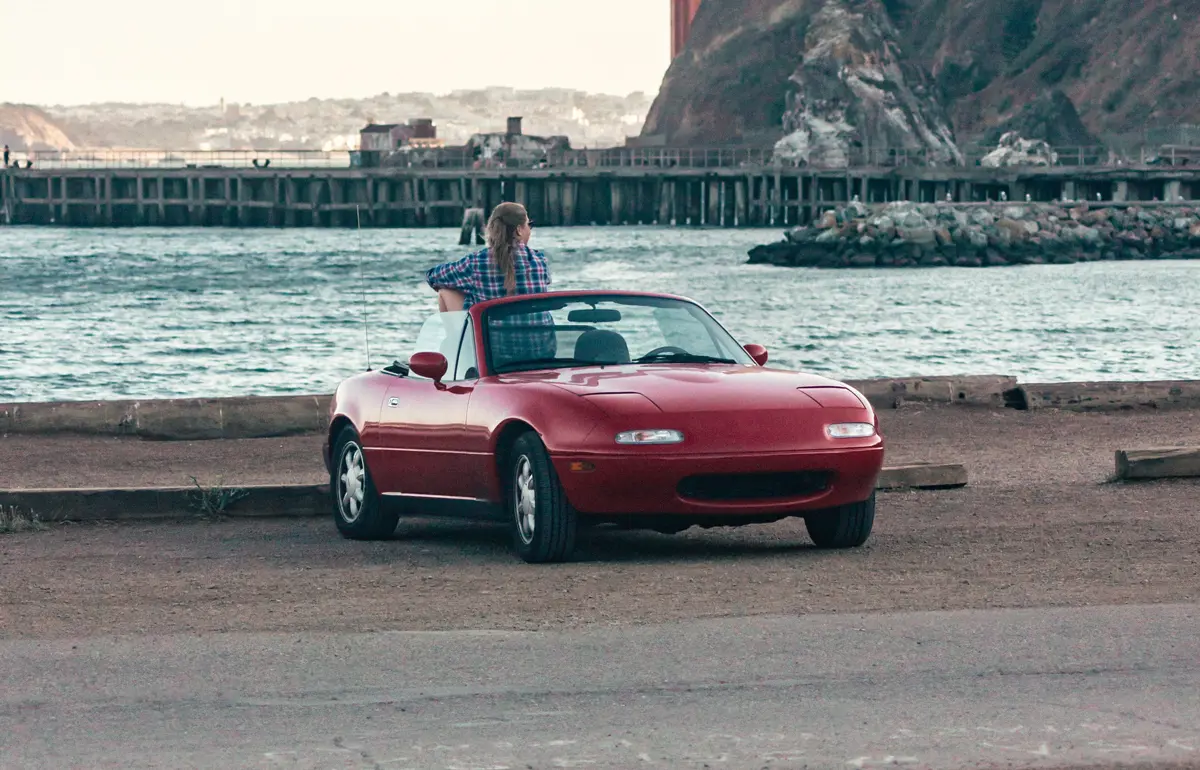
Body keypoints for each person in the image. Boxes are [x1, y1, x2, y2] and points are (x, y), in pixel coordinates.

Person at [424, 202, 555, 367]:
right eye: (529, 225)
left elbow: (432, 276)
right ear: (519, 230)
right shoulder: (539, 261)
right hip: (540, 352)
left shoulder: (476, 262)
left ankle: (458, 350)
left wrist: (468, 290)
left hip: (492, 355)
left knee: (446, 290)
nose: (530, 230)